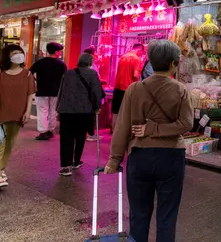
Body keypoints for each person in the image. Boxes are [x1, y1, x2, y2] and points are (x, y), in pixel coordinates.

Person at [105, 39, 193, 242]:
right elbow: (186, 124)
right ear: (173, 63)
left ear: (150, 61)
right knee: (167, 216)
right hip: (171, 158)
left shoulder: (134, 89)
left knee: (138, 215)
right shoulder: (181, 90)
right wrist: (157, 129)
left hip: (140, 156)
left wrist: (114, 159)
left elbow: (122, 127)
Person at [56, 53, 105, 176]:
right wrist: (97, 107)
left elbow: (61, 91)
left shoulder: (68, 73)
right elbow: (96, 92)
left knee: (66, 138)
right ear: (90, 62)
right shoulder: (92, 74)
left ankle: (66, 166)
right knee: (80, 136)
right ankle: (76, 161)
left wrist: (58, 109)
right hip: (84, 110)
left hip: (67, 110)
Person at [0, 44, 36, 188]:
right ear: (7, 56)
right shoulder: (1, 73)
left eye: (20, 52)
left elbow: (30, 94)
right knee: (1, 141)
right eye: (15, 52)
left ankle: (1, 170)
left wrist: (27, 112)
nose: (18, 55)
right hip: (1, 112)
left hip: (17, 113)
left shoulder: (27, 74)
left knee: (10, 143)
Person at [30, 42, 67, 140]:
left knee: (42, 111)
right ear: (56, 52)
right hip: (56, 92)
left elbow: (30, 73)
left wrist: (36, 80)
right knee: (53, 111)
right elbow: (65, 79)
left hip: (42, 90)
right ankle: (50, 130)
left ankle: (43, 132)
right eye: (59, 51)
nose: (60, 53)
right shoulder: (61, 64)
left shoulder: (40, 62)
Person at [111, 43, 144, 131]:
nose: (141, 55)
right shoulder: (137, 59)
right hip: (128, 89)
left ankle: (114, 131)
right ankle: (125, 133)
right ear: (139, 50)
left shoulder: (122, 57)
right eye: (142, 53)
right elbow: (135, 75)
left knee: (116, 111)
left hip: (117, 87)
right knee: (128, 112)